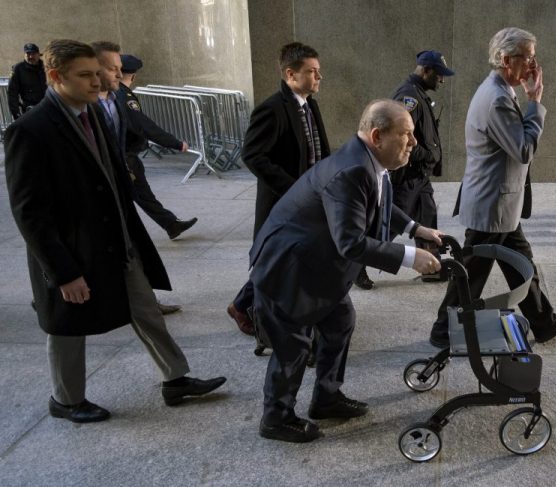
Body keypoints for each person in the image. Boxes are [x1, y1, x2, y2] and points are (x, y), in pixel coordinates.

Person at [4, 39, 225, 424]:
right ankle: (66, 399)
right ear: (56, 77)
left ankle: (175, 378)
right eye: (85, 75)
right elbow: (30, 213)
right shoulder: (31, 130)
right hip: (71, 250)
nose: (98, 82)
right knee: (67, 326)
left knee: (146, 308)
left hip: (117, 243)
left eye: (98, 73)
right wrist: (64, 272)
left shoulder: (93, 114)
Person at [249, 99, 442, 443]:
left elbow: (380, 200)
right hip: (289, 269)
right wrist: (411, 257)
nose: (414, 143)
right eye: (407, 135)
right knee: (293, 346)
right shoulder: (352, 170)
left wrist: (416, 229)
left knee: (340, 322)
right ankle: (276, 419)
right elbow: (351, 243)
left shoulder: (368, 162)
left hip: (315, 264)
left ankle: (326, 397)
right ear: (378, 135)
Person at [430, 27, 556, 349]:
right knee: (472, 272)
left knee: (520, 262)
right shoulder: (497, 98)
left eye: (533, 57)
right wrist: (536, 102)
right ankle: (443, 329)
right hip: (493, 203)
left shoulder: (499, 90)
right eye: (527, 57)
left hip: (500, 201)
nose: (533, 65)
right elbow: (523, 149)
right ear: (504, 58)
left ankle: (543, 322)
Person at [227, 42, 330, 336]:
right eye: (311, 72)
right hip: (282, 203)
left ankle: (248, 305)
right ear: (291, 74)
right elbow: (252, 155)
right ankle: (250, 311)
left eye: (318, 71)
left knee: (287, 260)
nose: (318, 77)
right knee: (275, 260)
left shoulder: (310, 104)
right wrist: (293, 187)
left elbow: (319, 149)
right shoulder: (272, 109)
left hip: (310, 200)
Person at [356, 50, 454, 288]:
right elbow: (398, 136)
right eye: (439, 75)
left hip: (420, 177)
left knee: (428, 219)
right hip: (406, 177)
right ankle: (357, 263)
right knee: (389, 226)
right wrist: (427, 154)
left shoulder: (419, 94)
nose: (442, 80)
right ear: (426, 70)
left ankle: (433, 267)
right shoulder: (408, 96)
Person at [92, 43, 197, 241]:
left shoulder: (115, 97)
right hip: (122, 158)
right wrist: (174, 143)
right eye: (112, 69)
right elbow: (143, 125)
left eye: (118, 69)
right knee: (135, 196)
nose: (116, 74)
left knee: (139, 195)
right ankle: (166, 225)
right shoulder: (121, 96)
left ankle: (169, 224)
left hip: (124, 158)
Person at [7, 43, 47, 119]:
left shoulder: (46, 66)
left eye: (34, 53)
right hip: (30, 110)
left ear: (39, 54)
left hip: (48, 107)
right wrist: (16, 113)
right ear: (24, 55)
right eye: (28, 54)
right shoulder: (18, 69)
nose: (31, 56)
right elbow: (12, 93)